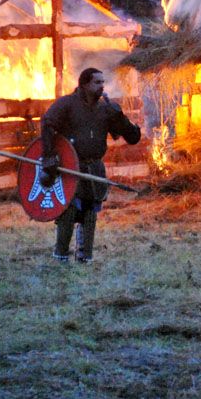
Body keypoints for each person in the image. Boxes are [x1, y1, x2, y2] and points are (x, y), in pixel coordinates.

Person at [40, 67, 141, 263]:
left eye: (103, 82)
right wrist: (49, 156)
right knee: (68, 211)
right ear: (85, 84)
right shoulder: (67, 104)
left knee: (89, 212)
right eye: (97, 82)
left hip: (94, 167)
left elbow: (133, 138)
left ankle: (85, 257)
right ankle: (60, 255)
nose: (102, 86)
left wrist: (119, 117)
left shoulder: (106, 109)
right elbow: (47, 124)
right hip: (70, 167)